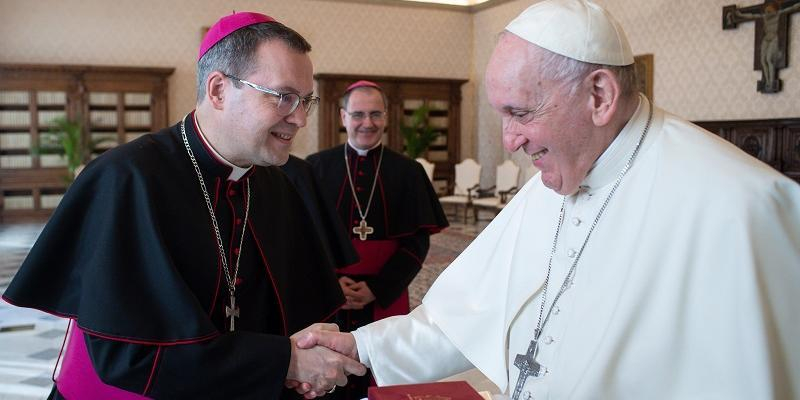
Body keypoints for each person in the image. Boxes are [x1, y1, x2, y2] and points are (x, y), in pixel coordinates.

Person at [292, 1, 800, 399]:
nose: (509, 140)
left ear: (599, 96)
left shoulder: (738, 209)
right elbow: (460, 316)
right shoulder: (552, 182)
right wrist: (359, 345)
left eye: (520, 112)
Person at [2, 11, 366, 399]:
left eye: (305, 100)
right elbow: (127, 355)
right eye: (283, 97)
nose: (299, 119)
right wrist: (283, 360)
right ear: (219, 91)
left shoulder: (279, 184)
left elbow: (304, 314)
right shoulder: (128, 179)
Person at [305, 80, 449, 399]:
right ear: (343, 117)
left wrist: (377, 289)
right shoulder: (314, 168)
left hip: (386, 292)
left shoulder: (409, 172)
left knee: (384, 372)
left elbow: (417, 243)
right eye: (357, 114)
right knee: (328, 372)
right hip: (329, 292)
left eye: (375, 114)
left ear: (386, 117)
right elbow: (305, 238)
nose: (366, 123)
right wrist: (332, 281)